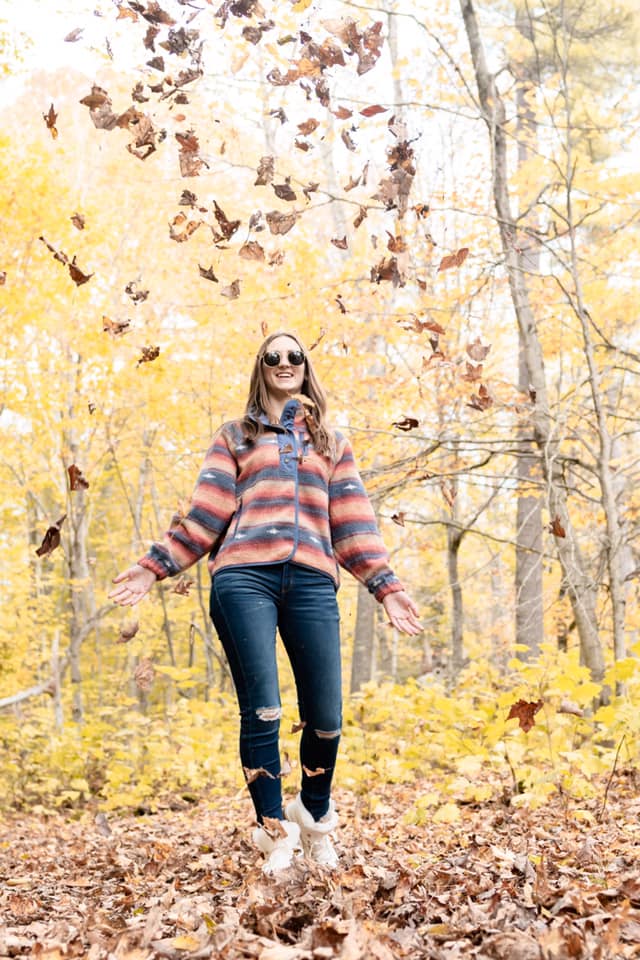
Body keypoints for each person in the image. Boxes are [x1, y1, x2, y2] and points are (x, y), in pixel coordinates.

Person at [109, 331, 422, 875]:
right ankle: (275, 831)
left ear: (305, 367)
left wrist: (386, 586)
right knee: (264, 709)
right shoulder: (235, 435)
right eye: (272, 356)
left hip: (312, 582)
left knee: (326, 717)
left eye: (294, 355)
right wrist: (154, 565)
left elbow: (352, 525)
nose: (284, 362)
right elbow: (206, 514)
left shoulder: (331, 443)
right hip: (242, 579)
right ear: (261, 368)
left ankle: (315, 815)